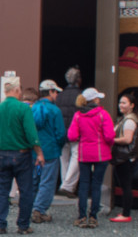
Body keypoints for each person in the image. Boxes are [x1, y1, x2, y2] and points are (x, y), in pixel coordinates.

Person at [0, 79, 42, 234]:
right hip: (22, 154)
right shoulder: (23, 109)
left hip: (3, 155)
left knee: (3, 190)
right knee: (26, 191)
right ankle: (23, 225)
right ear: (17, 91)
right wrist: (39, 152)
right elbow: (31, 134)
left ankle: (0, 224)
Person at [66, 88, 115, 229]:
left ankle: (82, 216)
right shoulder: (103, 114)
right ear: (95, 100)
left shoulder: (78, 116)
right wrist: (109, 145)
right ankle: (93, 216)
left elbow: (72, 136)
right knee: (96, 185)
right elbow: (110, 136)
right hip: (101, 154)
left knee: (83, 185)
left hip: (84, 154)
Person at [29, 79, 66, 225]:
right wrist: (59, 146)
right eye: (55, 92)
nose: (56, 95)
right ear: (50, 92)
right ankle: (39, 210)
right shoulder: (55, 110)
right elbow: (61, 134)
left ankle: (30, 207)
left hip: (34, 153)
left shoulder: (32, 109)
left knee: (34, 180)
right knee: (47, 182)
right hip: (50, 152)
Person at [109, 93, 138, 224]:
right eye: (120, 102)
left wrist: (111, 140)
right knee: (125, 185)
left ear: (132, 105)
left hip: (125, 157)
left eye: (124, 103)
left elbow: (127, 139)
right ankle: (125, 211)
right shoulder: (126, 118)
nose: (120, 105)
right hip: (125, 157)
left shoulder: (129, 120)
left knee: (126, 185)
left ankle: (126, 214)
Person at [56, 67, 83, 198]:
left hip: (61, 131)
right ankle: (68, 186)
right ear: (79, 80)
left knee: (63, 158)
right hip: (75, 132)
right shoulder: (80, 96)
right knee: (76, 157)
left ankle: (64, 184)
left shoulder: (59, 96)